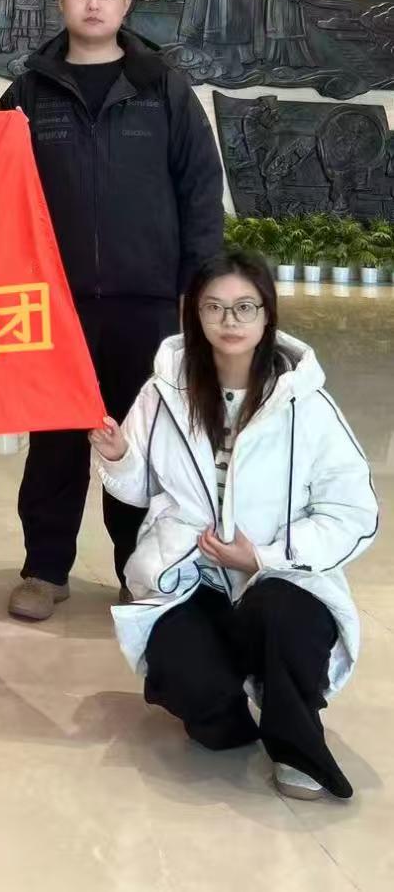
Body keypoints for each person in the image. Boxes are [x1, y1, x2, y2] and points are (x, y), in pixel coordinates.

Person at [91, 249, 377, 802]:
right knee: (189, 683)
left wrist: (263, 557)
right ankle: (227, 710)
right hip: (189, 576)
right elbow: (137, 488)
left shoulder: (305, 403)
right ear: (194, 314)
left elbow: (353, 512)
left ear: (267, 314)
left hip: (279, 578)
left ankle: (295, 743)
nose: (230, 321)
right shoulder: (165, 392)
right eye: (214, 307)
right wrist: (120, 454)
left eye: (245, 307)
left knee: (284, 617)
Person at [0, 0, 224, 623]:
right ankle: (44, 570)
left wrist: (197, 289)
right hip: (55, 302)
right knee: (54, 441)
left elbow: (199, 189)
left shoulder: (162, 89)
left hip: (144, 300)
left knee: (141, 440)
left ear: (125, 4)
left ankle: (137, 566)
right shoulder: (27, 93)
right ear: (61, 1)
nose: (92, 5)